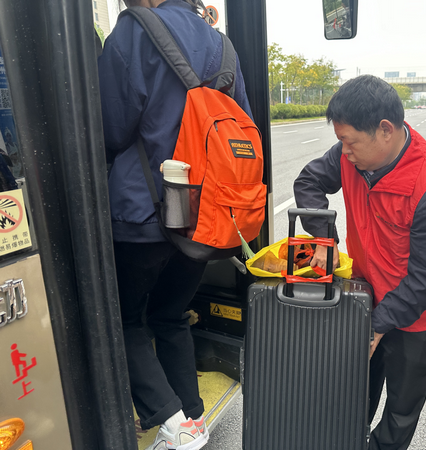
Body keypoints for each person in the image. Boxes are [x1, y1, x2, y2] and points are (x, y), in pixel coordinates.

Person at [98, 1, 252, 449]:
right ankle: (193, 416)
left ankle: (172, 423)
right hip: (203, 218)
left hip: (141, 213)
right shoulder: (223, 47)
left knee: (123, 319)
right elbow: (240, 122)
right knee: (169, 315)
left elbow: (109, 128)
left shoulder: (133, 31)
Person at [294, 74, 426, 450]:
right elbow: (308, 182)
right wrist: (324, 238)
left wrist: (378, 326)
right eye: (341, 142)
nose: (344, 152)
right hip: (365, 297)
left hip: (415, 317)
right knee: (351, 394)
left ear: (385, 130)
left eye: (350, 142)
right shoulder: (349, 156)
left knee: (400, 413)